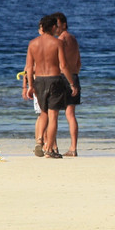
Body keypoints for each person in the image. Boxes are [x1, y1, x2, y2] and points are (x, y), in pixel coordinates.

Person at [24, 14, 77, 159]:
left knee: (43, 113)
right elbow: (63, 65)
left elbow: (29, 67)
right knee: (53, 116)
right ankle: (49, 149)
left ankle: (40, 140)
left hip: (39, 80)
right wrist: (72, 83)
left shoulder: (32, 43)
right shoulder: (57, 43)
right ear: (53, 27)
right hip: (54, 79)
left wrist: (30, 85)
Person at [53, 12, 81, 156]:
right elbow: (78, 62)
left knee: (54, 113)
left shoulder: (60, 40)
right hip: (74, 76)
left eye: (57, 25)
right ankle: (73, 148)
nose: (56, 28)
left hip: (63, 77)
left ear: (64, 24)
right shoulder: (74, 39)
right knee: (71, 115)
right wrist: (74, 78)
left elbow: (61, 64)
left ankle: (54, 147)